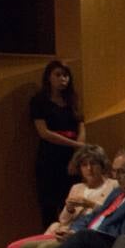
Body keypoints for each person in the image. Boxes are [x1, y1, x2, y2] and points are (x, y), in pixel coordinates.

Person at [2, 145, 113, 248]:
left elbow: (111, 213)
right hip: (63, 229)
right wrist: (69, 208)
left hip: (84, 233)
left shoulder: (113, 185)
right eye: (84, 165)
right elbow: (63, 220)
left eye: (93, 164)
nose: (89, 169)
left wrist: (89, 204)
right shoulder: (77, 187)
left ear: (102, 165)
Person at [30, 60, 88, 226]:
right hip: (49, 156)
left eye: (66, 75)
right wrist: (76, 145)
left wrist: (76, 155)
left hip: (71, 156)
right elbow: (44, 133)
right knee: (48, 204)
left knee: (71, 202)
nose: (63, 79)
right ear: (48, 77)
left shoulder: (72, 100)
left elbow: (81, 127)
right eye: (58, 74)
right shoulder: (39, 101)